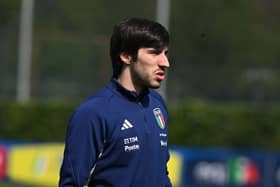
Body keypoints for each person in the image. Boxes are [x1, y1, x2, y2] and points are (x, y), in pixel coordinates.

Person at [59, 17, 172, 187]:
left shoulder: (157, 104)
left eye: (165, 53)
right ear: (126, 56)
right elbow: (71, 183)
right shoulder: (93, 112)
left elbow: (160, 174)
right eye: (154, 53)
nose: (165, 63)